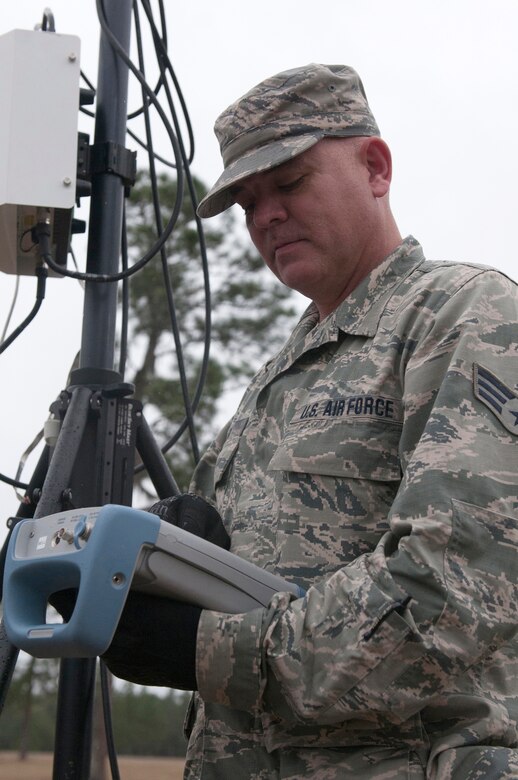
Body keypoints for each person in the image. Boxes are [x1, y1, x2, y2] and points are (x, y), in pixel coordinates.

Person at [103, 64, 518, 778]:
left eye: (289, 183)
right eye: (246, 202)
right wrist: (166, 560)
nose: (264, 216)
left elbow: (447, 596)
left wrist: (205, 649)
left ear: (375, 167)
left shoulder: (465, 317)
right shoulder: (274, 381)